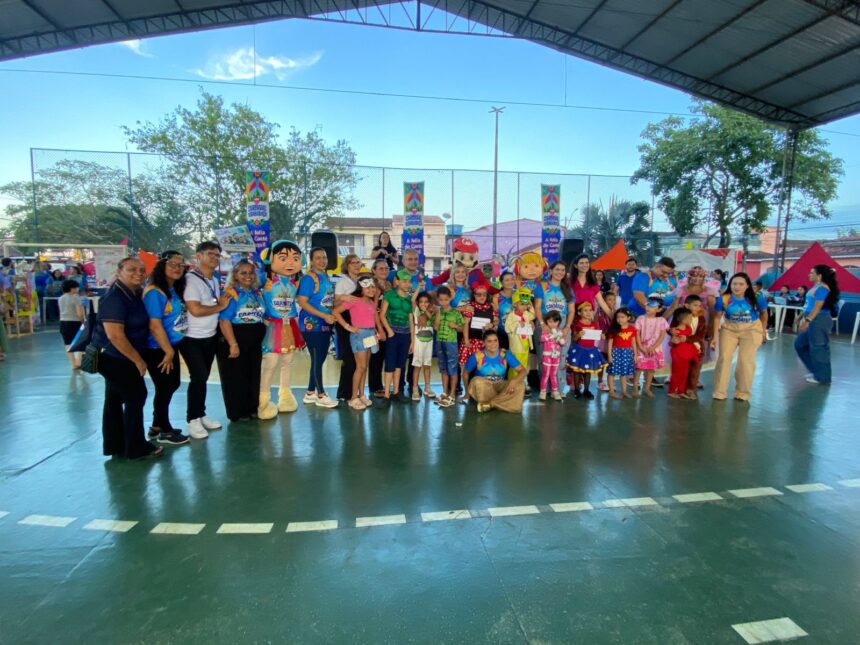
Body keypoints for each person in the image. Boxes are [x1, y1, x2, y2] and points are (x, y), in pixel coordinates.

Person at [90, 257, 162, 459]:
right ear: (120, 271)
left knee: (113, 399)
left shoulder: (136, 292)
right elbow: (115, 335)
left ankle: (116, 444)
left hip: (123, 355)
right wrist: (138, 360)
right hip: (116, 357)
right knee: (136, 396)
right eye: (132, 269)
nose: (138, 273)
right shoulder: (114, 297)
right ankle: (136, 447)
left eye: (141, 270)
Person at [181, 240, 231, 439]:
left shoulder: (213, 279)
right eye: (210, 254)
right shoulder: (191, 280)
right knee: (198, 377)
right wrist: (220, 307)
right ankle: (192, 419)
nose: (214, 258)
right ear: (198, 256)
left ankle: (200, 414)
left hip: (209, 336)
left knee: (203, 377)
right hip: (192, 337)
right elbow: (195, 309)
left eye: (217, 255)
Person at [142, 251, 189, 445]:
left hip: (171, 345)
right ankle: (165, 431)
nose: (177, 268)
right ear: (161, 266)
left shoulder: (173, 290)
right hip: (158, 348)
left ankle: (156, 425)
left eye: (180, 265)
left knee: (170, 385)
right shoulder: (155, 292)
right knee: (165, 386)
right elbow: (154, 324)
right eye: (172, 264)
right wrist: (167, 350)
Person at [258, 239, 305, 418]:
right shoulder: (265, 279)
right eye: (283, 258)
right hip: (272, 324)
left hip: (290, 324)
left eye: (295, 258)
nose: (290, 263)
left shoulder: (296, 281)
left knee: (287, 362)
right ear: (271, 258)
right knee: (270, 363)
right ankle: (263, 400)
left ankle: (285, 395)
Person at [217, 260, 266, 422]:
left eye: (251, 272)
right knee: (236, 376)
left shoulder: (256, 293)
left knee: (253, 375)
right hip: (236, 336)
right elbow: (224, 320)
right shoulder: (231, 294)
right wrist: (233, 344)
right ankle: (237, 411)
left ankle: (252, 408)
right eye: (243, 273)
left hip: (254, 339)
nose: (248, 276)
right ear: (235, 276)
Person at [711, 272, 769, 402]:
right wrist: (715, 337)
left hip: (752, 329)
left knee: (745, 361)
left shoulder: (757, 297)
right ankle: (719, 391)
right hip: (729, 329)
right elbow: (717, 317)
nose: (737, 287)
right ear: (730, 284)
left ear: (747, 285)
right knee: (724, 358)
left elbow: (764, 314)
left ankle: (742, 392)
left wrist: (763, 332)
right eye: (734, 284)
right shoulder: (723, 298)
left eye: (741, 284)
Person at [297, 247, 339, 408]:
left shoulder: (326, 277)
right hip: (312, 325)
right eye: (318, 258)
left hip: (325, 324)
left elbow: (328, 301)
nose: (322, 260)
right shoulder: (309, 279)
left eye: (324, 257)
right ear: (312, 260)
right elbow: (302, 302)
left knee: (319, 360)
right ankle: (320, 394)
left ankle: (309, 393)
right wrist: (323, 316)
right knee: (316, 359)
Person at [333, 274, 382, 410]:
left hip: (370, 335)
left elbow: (373, 319)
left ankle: (361, 394)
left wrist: (377, 335)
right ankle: (353, 397)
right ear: (361, 288)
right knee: (360, 367)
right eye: (368, 287)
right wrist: (348, 327)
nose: (372, 289)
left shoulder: (371, 303)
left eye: (373, 287)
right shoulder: (355, 300)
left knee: (365, 366)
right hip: (359, 335)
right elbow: (336, 312)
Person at [795, 264, 840, 385]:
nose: (809, 275)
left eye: (812, 273)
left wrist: (807, 321)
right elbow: (809, 305)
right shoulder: (816, 287)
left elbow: (818, 307)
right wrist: (800, 316)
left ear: (819, 276)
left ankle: (823, 377)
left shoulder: (822, 289)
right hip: (812, 317)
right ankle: (817, 371)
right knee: (799, 345)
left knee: (819, 348)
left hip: (819, 320)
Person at [535, 260, 575, 392]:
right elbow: (538, 307)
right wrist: (542, 324)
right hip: (545, 322)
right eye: (557, 269)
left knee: (561, 357)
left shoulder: (568, 289)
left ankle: (559, 388)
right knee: (544, 357)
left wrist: (566, 327)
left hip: (563, 323)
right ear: (551, 271)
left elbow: (571, 310)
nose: (560, 272)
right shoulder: (542, 286)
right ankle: (544, 389)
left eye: (563, 270)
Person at [465, 330, 526, 413]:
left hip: (500, 385)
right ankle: (503, 402)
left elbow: (523, 371)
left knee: (520, 384)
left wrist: (515, 381)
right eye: (489, 341)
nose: (493, 344)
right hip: (485, 388)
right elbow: (465, 373)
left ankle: (490, 404)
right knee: (477, 381)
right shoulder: (476, 355)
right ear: (483, 343)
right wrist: (466, 393)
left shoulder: (505, 353)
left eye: (495, 340)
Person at [380, 269, 415, 404]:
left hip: (405, 335)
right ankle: (387, 394)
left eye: (409, 281)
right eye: (404, 281)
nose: (407, 284)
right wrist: (389, 330)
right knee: (390, 363)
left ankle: (396, 392)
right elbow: (382, 315)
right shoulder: (389, 295)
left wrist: (412, 340)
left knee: (400, 364)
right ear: (397, 281)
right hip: (393, 334)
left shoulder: (409, 299)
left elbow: (411, 320)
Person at [459, 279, 496, 400]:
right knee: (467, 369)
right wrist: (466, 340)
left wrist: (492, 325)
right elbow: (465, 324)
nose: (481, 296)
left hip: (485, 343)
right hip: (471, 341)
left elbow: (496, 321)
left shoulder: (491, 307)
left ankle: (482, 392)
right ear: (474, 295)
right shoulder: (471, 308)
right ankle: (467, 393)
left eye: (484, 294)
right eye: (478, 294)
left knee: (484, 369)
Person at [334, 254, 362, 401]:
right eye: (353, 263)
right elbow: (335, 305)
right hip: (345, 321)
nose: (356, 265)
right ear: (347, 265)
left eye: (358, 262)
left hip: (358, 323)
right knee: (349, 359)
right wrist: (344, 298)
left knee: (358, 360)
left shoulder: (361, 282)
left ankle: (354, 391)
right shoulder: (342, 283)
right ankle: (344, 393)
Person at [567, 301, 606, 399]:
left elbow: (598, 335)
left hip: (590, 351)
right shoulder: (577, 324)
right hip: (579, 350)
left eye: (590, 310)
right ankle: (576, 389)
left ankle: (586, 390)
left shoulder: (595, 324)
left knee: (587, 371)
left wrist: (602, 336)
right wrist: (578, 335)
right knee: (577, 371)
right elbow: (574, 338)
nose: (588, 312)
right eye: (585, 310)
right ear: (579, 313)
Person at [434, 286, 465, 408]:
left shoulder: (456, 312)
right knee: (443, 368)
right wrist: (438, 313)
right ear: (438, 299)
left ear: (450, 298)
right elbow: (436, 327)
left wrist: (456, 326)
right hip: (439, 342)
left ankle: (452, 394)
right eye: (441, 300)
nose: (443, 302)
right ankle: (444, 392)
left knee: (452, 368)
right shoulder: (438, 312)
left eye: (446, 299)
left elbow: (462, 327)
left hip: (451, 342)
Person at [633, 298, 668, 398]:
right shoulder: (640, 319)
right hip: (642, 348)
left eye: (652, 305)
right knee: (639, 368)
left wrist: (653, 347)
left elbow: (662, 336)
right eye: (647, 304)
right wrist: (640, 346)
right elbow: (637, 334)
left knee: (651, 369)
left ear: (659, 309)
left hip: (655, 349)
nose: (648, 307)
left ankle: (647, 388)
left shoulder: (662, 321)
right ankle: (635, 387)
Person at [369, 258, 392, 397]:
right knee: (376, 356)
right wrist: (380, 329)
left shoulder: (389, 285)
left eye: (386, 268)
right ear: (374, 271)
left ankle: (383, 385)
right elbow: (372, 310)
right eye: (381, 269)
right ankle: (375, 387)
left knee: (384, 355)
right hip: (375, 325)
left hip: (388, 324)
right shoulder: (372, 286)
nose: (384, 271)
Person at [504, 287, 535, 391]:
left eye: (526, 304)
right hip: (516, 346)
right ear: (515, 304)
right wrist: (517, 324)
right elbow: (507, 327)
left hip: (525, 345)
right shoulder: (511, 316)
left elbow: (533, 315)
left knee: (524, 366)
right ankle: (511, 384)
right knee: (515, 366)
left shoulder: (527, 314)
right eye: (522, 304)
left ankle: (521, 383)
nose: (524, 307)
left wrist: (530, 306)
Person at [668, 308, 700, 400]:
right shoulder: (675, 330)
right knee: (676, 372)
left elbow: (690, 340)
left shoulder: (689, 329)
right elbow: (671, 343)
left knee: (684, 373)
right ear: (683, 319)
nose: (691, 320)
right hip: (678, 354)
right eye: (689, 318)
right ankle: (672, 391)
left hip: (686, 354)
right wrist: (674, 341)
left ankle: (681, 391)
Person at [607, 307, 638, 400]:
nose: (619, 319)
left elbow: (633, 342)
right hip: (616, 352)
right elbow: (610, 343)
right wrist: (609, 355)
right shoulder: (614, 329)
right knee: (612, 372)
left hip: (627, 352)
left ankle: (624, 391)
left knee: (624, 373)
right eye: (618, 317)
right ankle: (611, 391)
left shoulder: (632, 329)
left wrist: (635, 354)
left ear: (628, 318)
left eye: (622, 317)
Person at [411, 291, 437, 401]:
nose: (423, 304)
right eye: (421, 302)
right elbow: (412, 300)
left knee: (427, 365)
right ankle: (415, 389)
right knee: (417, 366)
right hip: (418, 342)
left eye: (426, 302)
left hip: (429, 342)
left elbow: (431, 318)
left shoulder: (431, 312)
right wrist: (419, 287)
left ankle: (427, 387)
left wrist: (427, 309)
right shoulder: (416, 311)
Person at [682, 294, 709, 398]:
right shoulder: (680, 317)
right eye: (695, 305)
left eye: (699, 305)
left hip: (697, 348)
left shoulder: (701, 319)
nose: (698, 307)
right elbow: (674, 329)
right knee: (682, 369)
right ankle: (680, 388)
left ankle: (691, 389)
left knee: (695, 370)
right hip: (682, 348)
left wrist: (688, 339)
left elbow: (700, 335)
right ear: (687, 305)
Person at [58, 279, 85, 369]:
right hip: (75, 322)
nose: (77, 289)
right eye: (76, 287)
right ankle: (79, 361)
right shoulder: (75, 298)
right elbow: (79, 313)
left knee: (68, 343)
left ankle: (73, 364)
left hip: (63, 322)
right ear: (72, 289)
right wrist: (83, 321)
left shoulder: (60, 298)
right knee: (81, 342)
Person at [538, 309, 564, 401]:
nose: (552, 323)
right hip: (547, 356)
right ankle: (543, 391)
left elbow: (562, 342)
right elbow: (542, 339)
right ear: (546, 322)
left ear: (559, 322)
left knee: (553, 374)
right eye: (550, 321)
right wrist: (552, 335)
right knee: (546, 374)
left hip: (556, 357)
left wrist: (559, 337)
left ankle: (555, 391)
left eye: (555, 321)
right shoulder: (545, 331)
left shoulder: (560, 331)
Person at [493, 271, 516, 349]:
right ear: (502, 283)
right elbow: (494, 315)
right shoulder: (496, 297)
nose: (510, 282)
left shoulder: (519, 295)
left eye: (512, 279)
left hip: (517, 332)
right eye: (507, 280)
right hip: (502, 332)